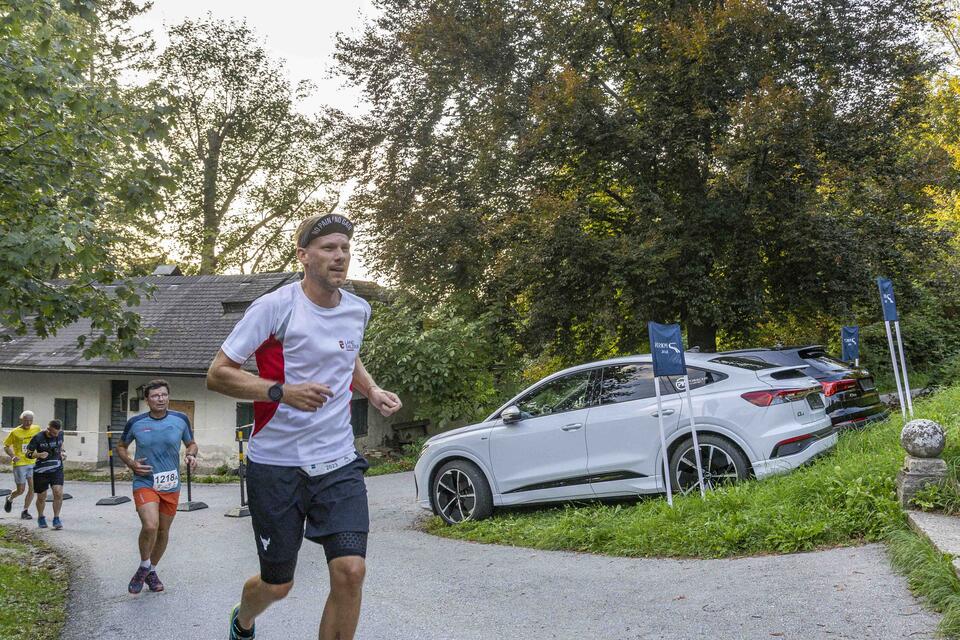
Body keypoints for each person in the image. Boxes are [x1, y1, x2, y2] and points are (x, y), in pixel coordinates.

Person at [206, 213, 402, 640]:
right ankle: (244, 618)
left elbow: (345, 356)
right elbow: (218, 374)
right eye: (329, 248)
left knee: (351, 570)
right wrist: (282, 392)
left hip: (337, 462)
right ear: (304, 256)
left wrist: (370, 390)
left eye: (345, 248)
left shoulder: (358, 310)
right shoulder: (274, 307)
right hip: (276, 466)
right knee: (277, 584)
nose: (340, 257)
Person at [115, 379, 198, 594]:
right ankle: (144, 565)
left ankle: (151, 570)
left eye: (163, 395)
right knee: (150, 525)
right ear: (147, 400)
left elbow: (191, 443)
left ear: (168, 397)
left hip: (170, 483)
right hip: (145, 481)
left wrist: (190, 455)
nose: (160, 399)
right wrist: (131, 463)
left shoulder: (180, 419)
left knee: (163, 530)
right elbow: (121, 447)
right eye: (155, 396)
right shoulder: (136, 422)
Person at [25, 419, 66, 530]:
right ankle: (41, 516)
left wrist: (63, 453)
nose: (54, 435)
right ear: (48, 429)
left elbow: (61, 444)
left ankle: (56, 518)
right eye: (53, 433)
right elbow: (28, 454)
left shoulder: (60, 434)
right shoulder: (38, 437)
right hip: (41, 471)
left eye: (56, 433)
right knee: (41, 497)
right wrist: (38, 454)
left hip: (56, 469)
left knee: (58, 492)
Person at [3, 410, 40, 519]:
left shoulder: (36, 429)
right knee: (21, 490)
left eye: (30, 421)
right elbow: (6, 446)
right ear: (21, 420)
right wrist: (13, 456)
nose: (28, 423)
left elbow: (41, 439)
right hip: (20, 463)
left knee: (32, 488)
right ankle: (9, 498)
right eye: (26, 421)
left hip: (32, 462)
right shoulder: (15, 432)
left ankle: (25, 511)